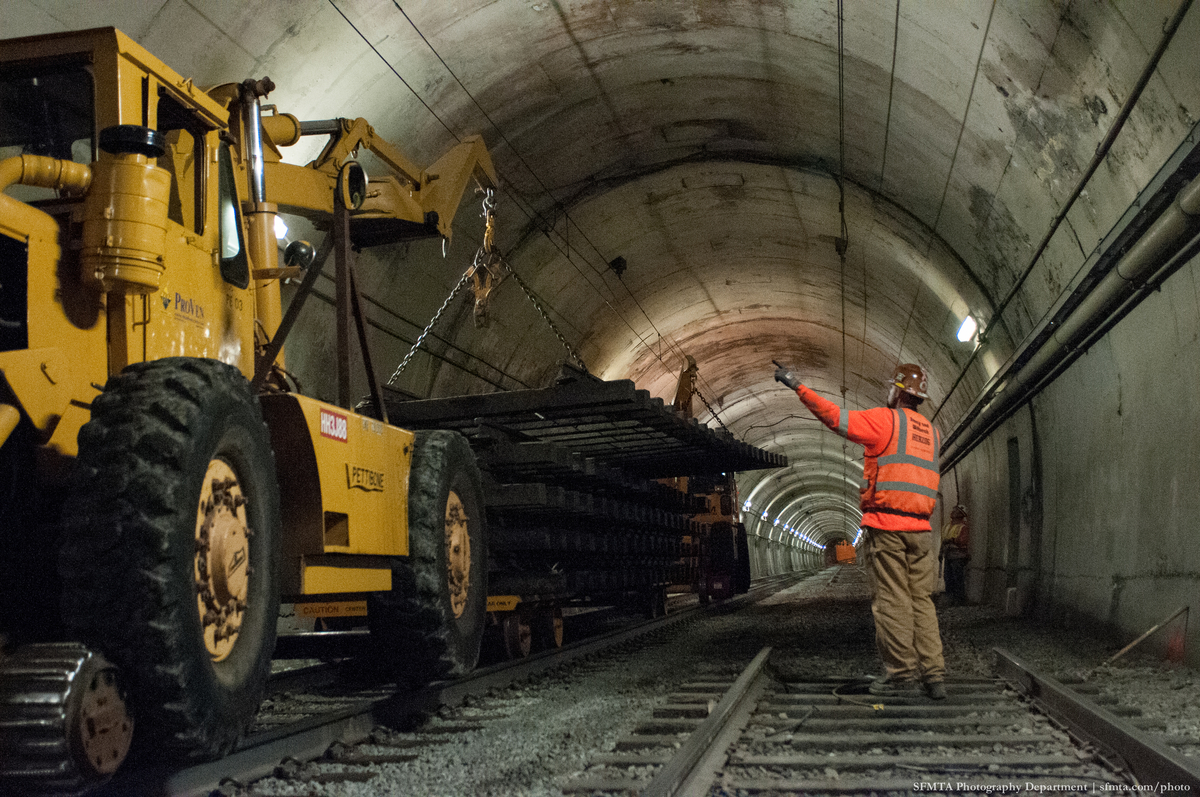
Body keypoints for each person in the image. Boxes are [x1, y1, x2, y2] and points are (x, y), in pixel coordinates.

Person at [774, 361, 947, 700]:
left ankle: (902, 676)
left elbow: (835, 417)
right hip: (922, 532)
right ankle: (935, 676)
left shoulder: (886, 421)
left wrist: (798, 386)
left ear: (896, 390)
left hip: (887, 527)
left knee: (892, 602)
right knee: (921, 602)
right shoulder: (933, 433)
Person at [940, 505, 970, 604]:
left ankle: (959, 599)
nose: (953, 512)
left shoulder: (963, 527)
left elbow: (962, 541)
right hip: (948, 555)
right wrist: (941, 553)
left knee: (957, 578)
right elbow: (943, 541)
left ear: (961, 514)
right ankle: (950, 599)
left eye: (956, 511)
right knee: (948, 577)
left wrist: (951, 540)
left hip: (958, 556)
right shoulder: (947, 526)